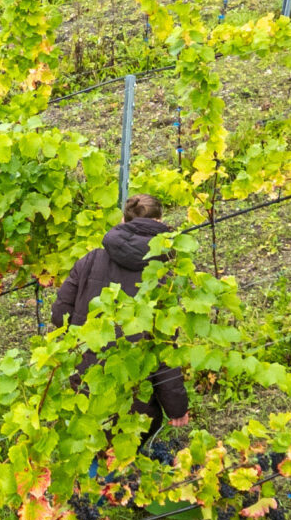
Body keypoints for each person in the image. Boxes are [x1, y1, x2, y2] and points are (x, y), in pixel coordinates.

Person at [52, 193, 190, 461]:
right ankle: (116, 480)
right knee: (124, 453)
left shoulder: (90, 260)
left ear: (122, 221)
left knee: (92, 446)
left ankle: (94, 480)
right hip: (135, 394)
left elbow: (60, 315)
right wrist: (177, 408)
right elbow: (164, 353)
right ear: (160, 223)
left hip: (87, 380)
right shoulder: (163, 277)